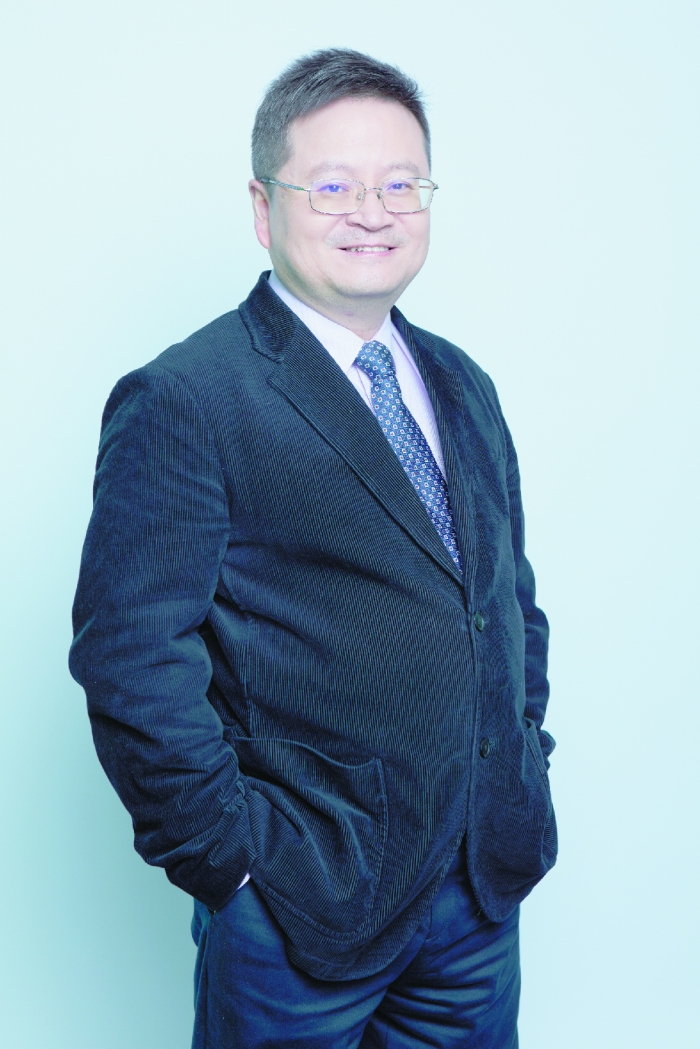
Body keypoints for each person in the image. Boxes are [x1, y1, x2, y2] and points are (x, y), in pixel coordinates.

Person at [70, 48, 556, 1049]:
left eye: (400, 184)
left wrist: (523, 765)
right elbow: (130, 657)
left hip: (477, 890)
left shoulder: (461, 381)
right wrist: (230, 862)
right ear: (264, 207)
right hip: (300, 902)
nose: (372, 212)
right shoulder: (187, 397)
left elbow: (506, 604)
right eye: (332, 186)